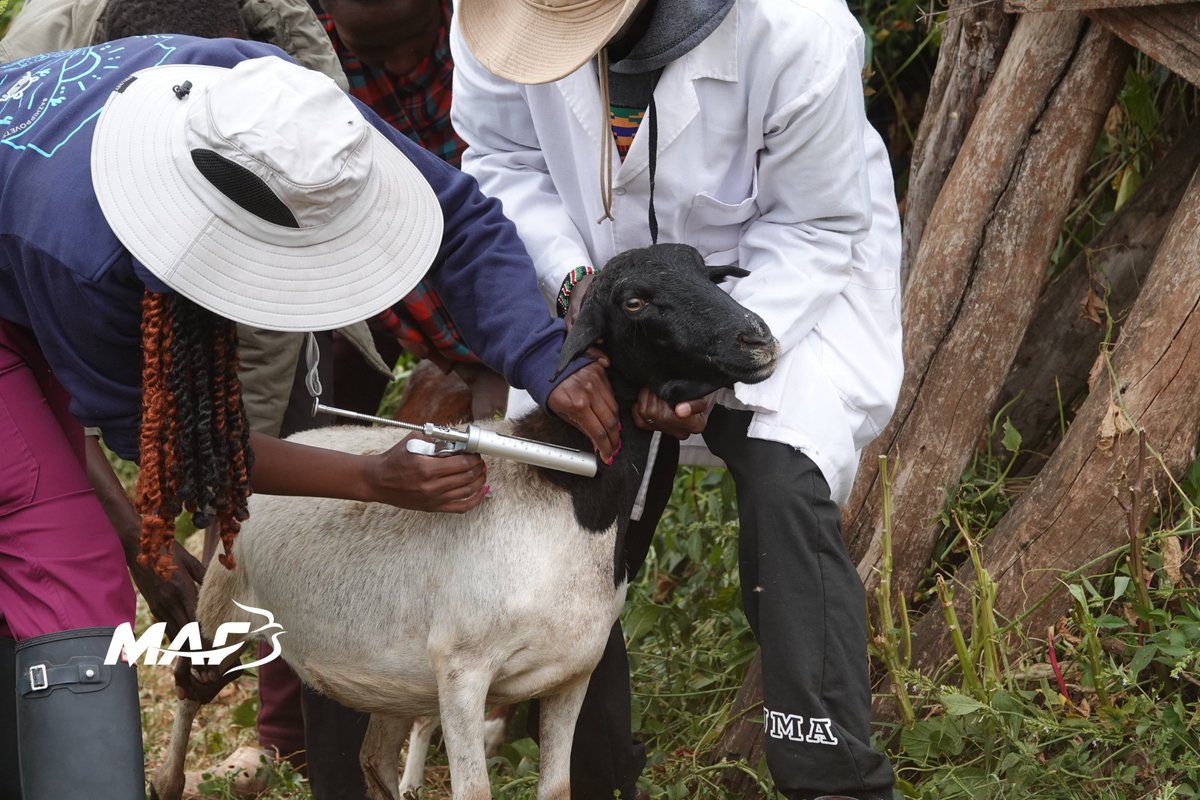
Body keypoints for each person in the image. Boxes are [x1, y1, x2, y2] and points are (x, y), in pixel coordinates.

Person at [0, 34, 620, 799]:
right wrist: (369, 477)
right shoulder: (84, 253)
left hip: (35, 234)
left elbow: (457, 218)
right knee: (61, 550)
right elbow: (169, 448)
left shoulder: (273, 104)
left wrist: (541, 360)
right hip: (31, 254)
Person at [449, 0, 903, 798]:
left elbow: (817, 225)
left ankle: (830, 777)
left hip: (784, 280)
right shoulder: (493, 13)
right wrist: (580, 287)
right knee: (576, 487)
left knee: (782, 485)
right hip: (602, 287)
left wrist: (703, 368)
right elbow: (502, 159)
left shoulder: (796, 31)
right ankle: (595, 778)